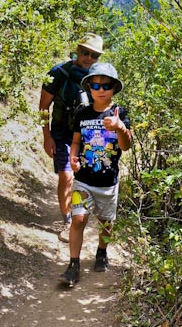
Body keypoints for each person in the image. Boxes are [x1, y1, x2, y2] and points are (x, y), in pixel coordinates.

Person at [60, 62, 132, 288]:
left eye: (106, 85)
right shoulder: (82, 113)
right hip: (84, 181)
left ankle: (102, 251)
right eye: (96, 84)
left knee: (105, 223)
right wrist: (73, 158)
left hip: (108, 184)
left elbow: (126, 145)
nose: (101, 89)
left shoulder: (121, 113)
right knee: (79, 219)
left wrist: (119, 126)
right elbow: (76, 141)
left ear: (114, 88)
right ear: (89, 87)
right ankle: (73, 265)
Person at [39, 33, 105, 240]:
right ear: (77, 50)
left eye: (94, 55)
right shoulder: (59, 73)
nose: (88, 58)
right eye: (85, 52)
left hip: (88, 135)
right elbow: (43, 107)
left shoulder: (99, 78)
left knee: (85, 179)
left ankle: (80, 218)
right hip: (61, 131)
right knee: (66, 176)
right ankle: (67, 221)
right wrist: (46, 136)